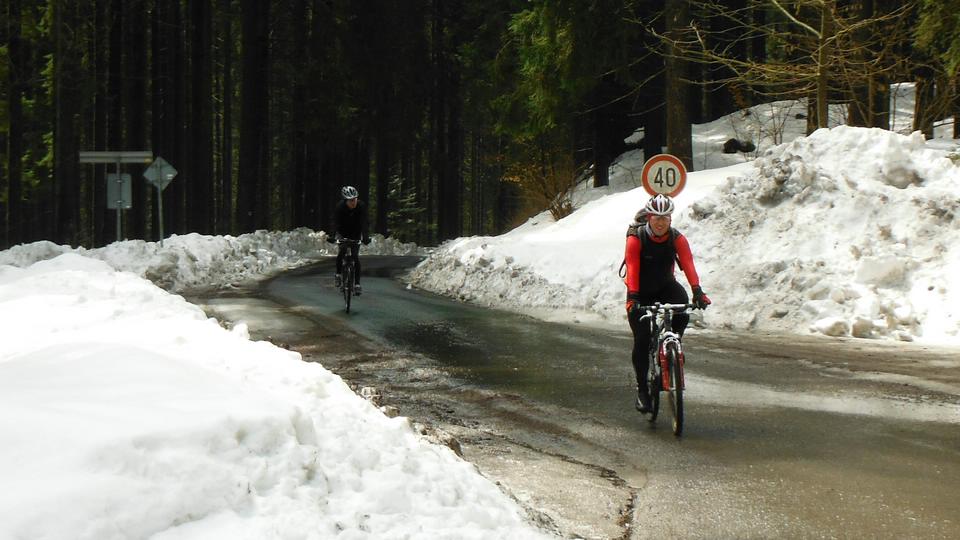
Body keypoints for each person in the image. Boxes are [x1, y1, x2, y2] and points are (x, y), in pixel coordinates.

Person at [624, 194, 711, 412]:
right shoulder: (636, 237)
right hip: (640, 291)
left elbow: (688, 264)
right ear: (649, 218)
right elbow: (632, 267)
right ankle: (642, 390)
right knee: (642, 339)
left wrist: (697, 291)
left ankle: (672, 348)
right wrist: (633, 297)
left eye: (665, 218)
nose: (661, 222)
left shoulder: (676, 238)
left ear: (670, 219)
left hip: (666, 285)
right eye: (657, 218)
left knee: (682, 309)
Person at [329, 186, 371, 294]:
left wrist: (365, 237)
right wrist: (332, 236)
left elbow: (365, 222)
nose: (353, 202)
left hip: (355, 233)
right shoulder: (340, 207)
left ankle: (357, 284)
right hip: (342, 232)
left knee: (355, 257)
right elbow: (334, 222)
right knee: (342, 251)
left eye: (355, 199)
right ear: (346, 200)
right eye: (351, 200)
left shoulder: (361, 206)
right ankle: (338, 274)